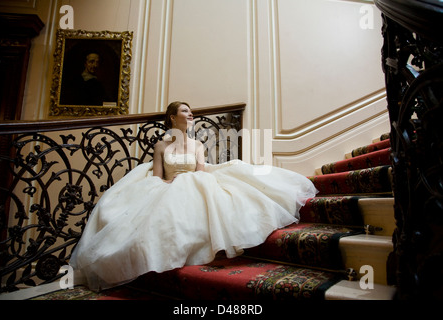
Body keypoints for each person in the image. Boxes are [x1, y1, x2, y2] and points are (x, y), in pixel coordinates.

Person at [69, 101, 318, 291]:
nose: (190, 115)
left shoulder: (197, 145)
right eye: (185, 111)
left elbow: (200, 170)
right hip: (168, 183)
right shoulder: (161, 146)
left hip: (194, 180)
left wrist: (185, 179)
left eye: (191, 112)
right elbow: (157, 176)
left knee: (215, 185)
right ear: (172, 117)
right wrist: (168, 182)